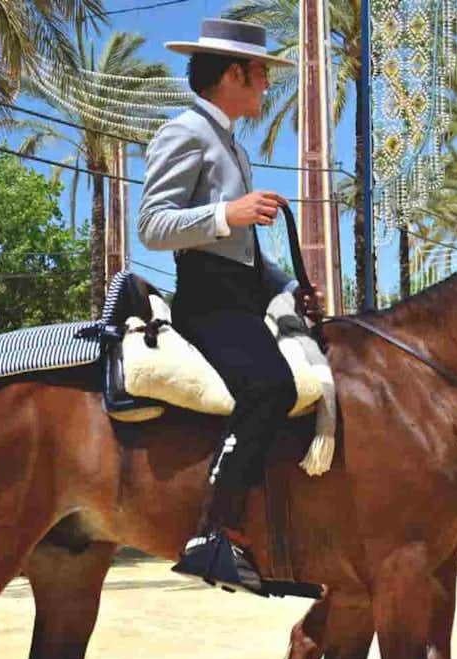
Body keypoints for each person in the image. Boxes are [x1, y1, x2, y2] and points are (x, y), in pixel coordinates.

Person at [139, 17, 320, 595]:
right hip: (208, 302)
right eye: (262, 74)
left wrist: (289, 285)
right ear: (234, 73)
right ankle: (211, 533)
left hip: (241, 296)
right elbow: (152, 225)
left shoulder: (229, 144)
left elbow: (244, 254)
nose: (268, 86)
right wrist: (227, 215)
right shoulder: (186, 133)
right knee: (271, 387)